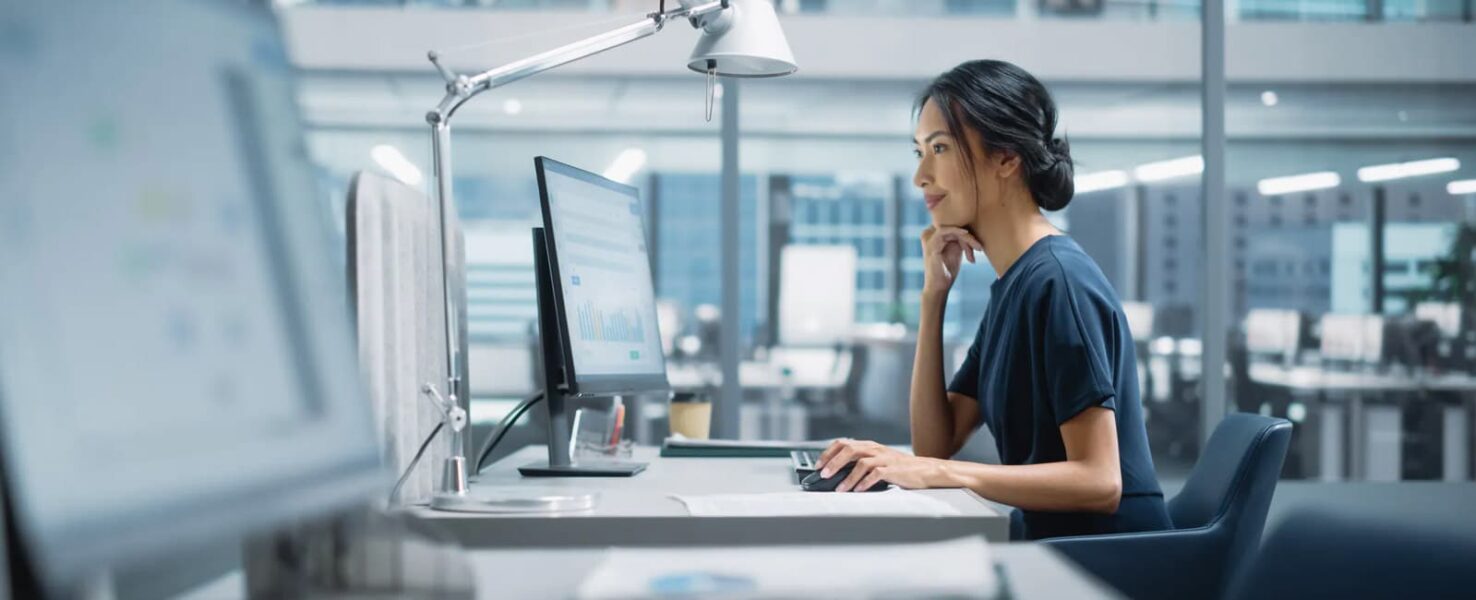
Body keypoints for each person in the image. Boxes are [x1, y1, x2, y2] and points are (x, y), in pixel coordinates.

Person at [814, 59, 1171, 541]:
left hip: (1107, 560)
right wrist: (934, 297)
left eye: (939, 148)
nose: (921, 176)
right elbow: (936, 443)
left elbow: (1100, 481)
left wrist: (941, 473)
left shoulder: (1059, 282)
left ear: (1006, 158)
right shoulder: (1016, 286)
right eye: (919, 152)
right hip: (1048, 545)